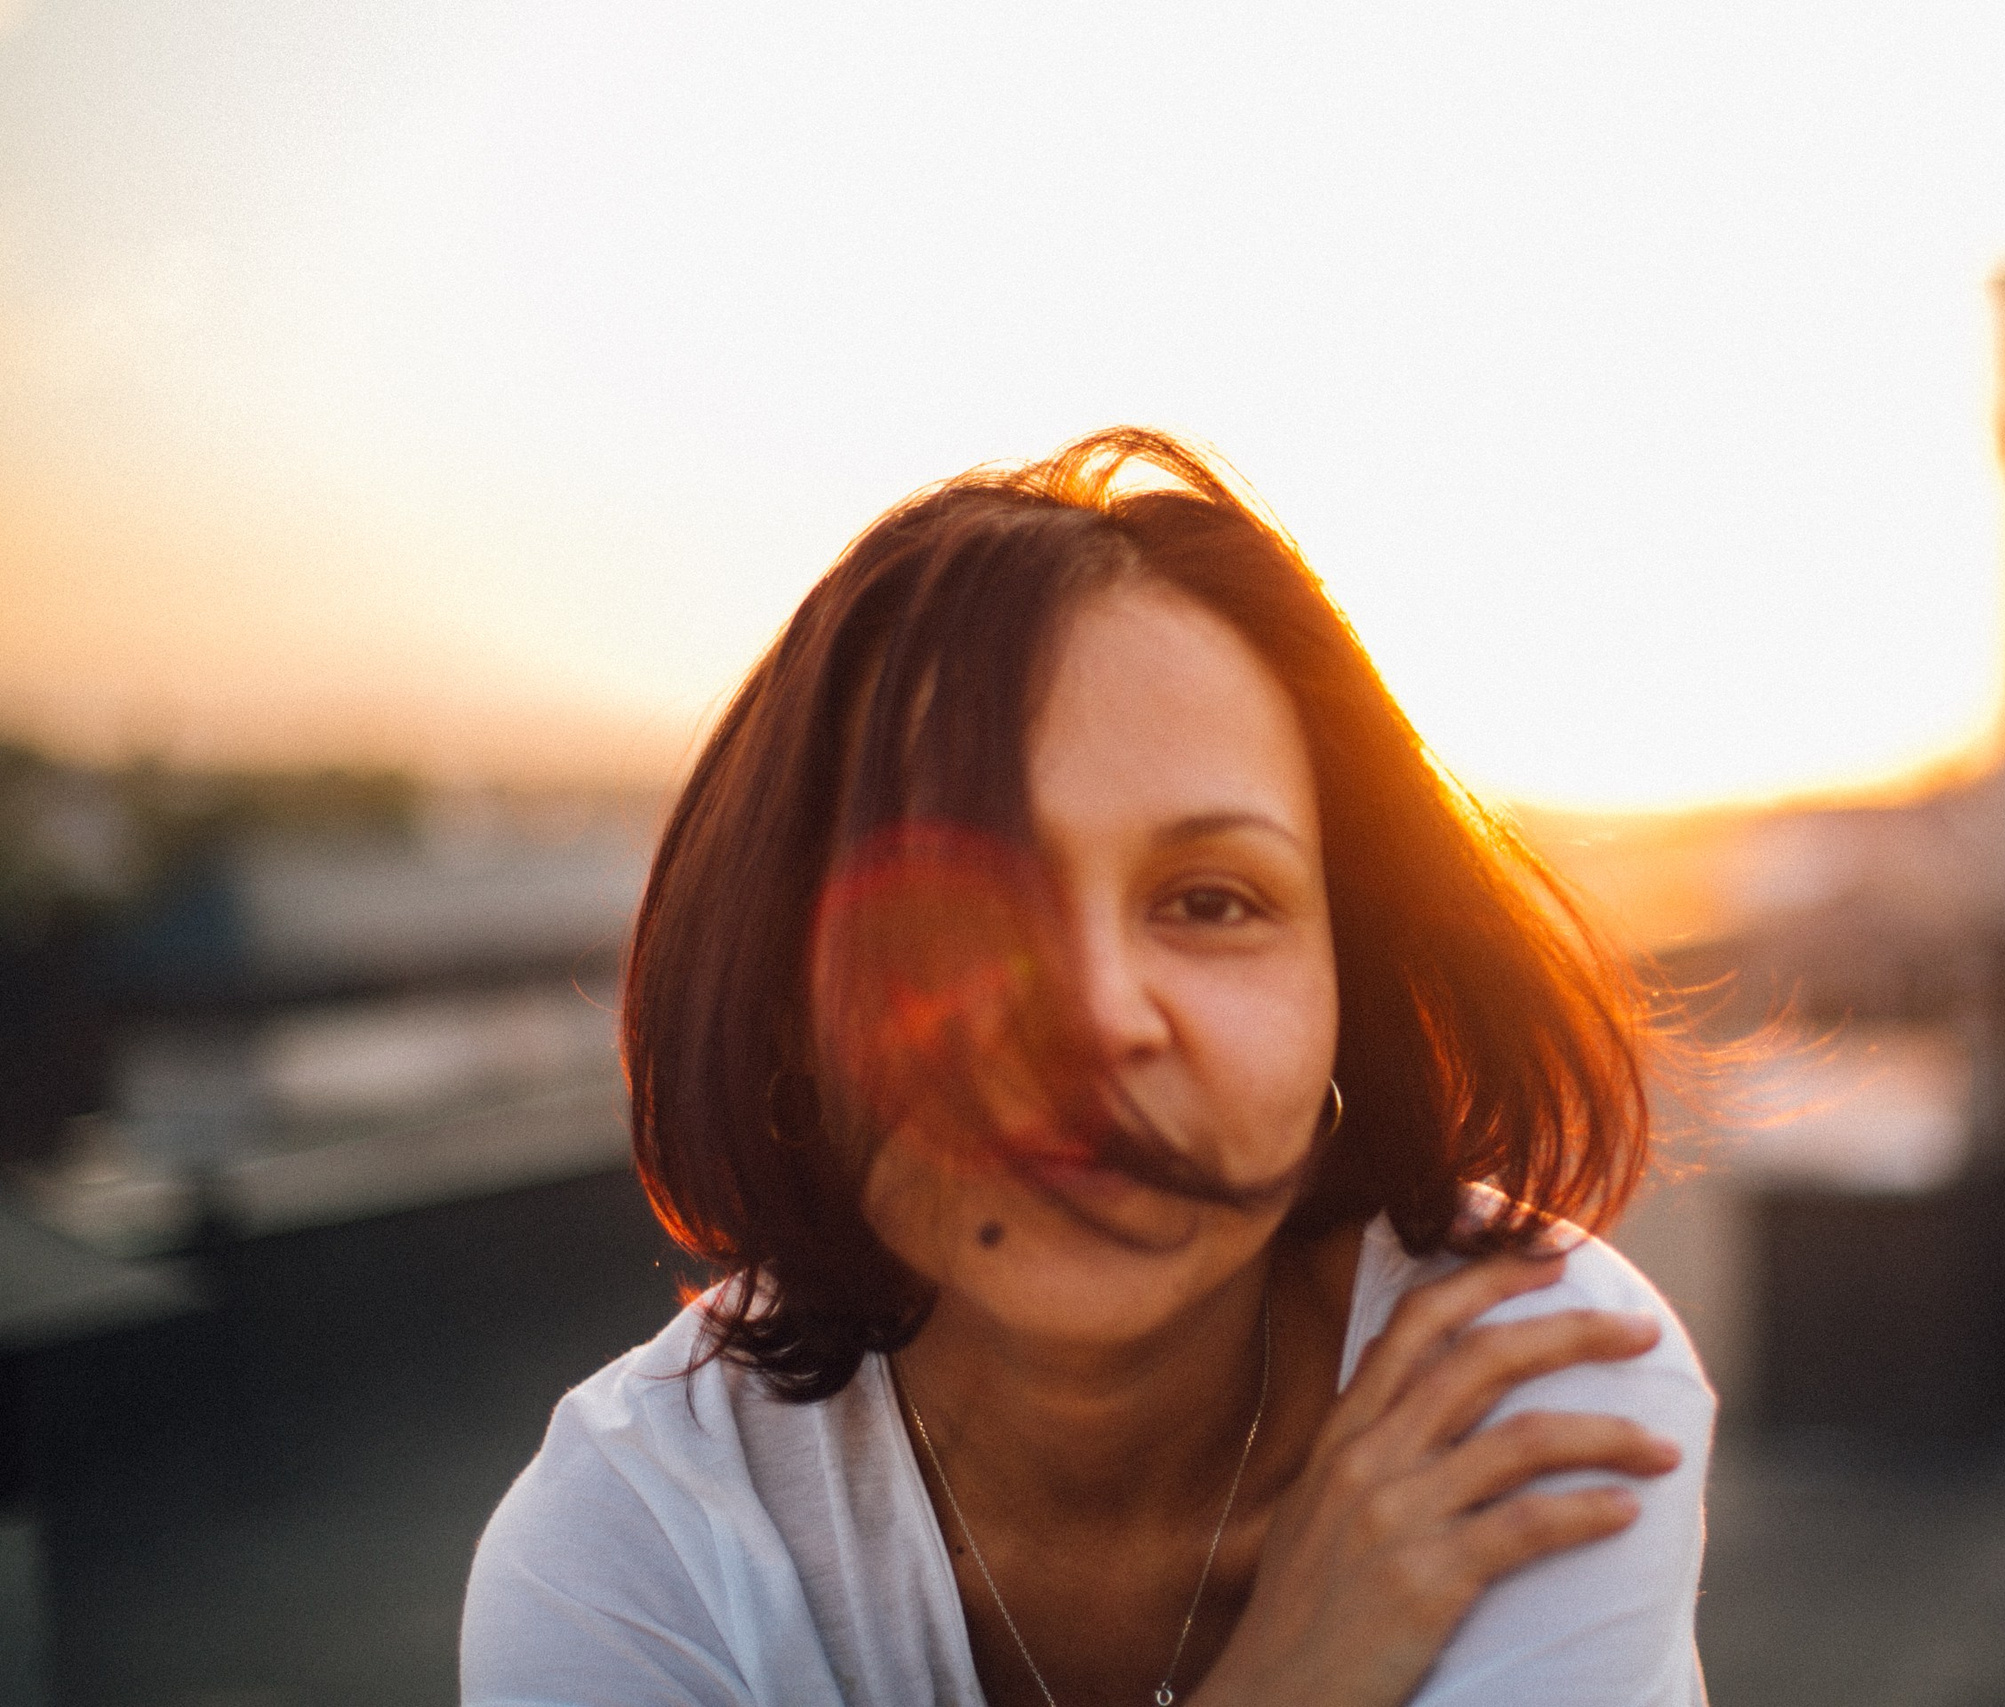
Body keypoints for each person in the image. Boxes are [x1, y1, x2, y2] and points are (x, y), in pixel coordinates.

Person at [461, 429, 1715, 1706]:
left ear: (1352, 986)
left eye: (1213, 901)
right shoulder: (625, 1550)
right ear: (785, 1007)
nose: (1096, 1015)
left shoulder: (1528, 1399)